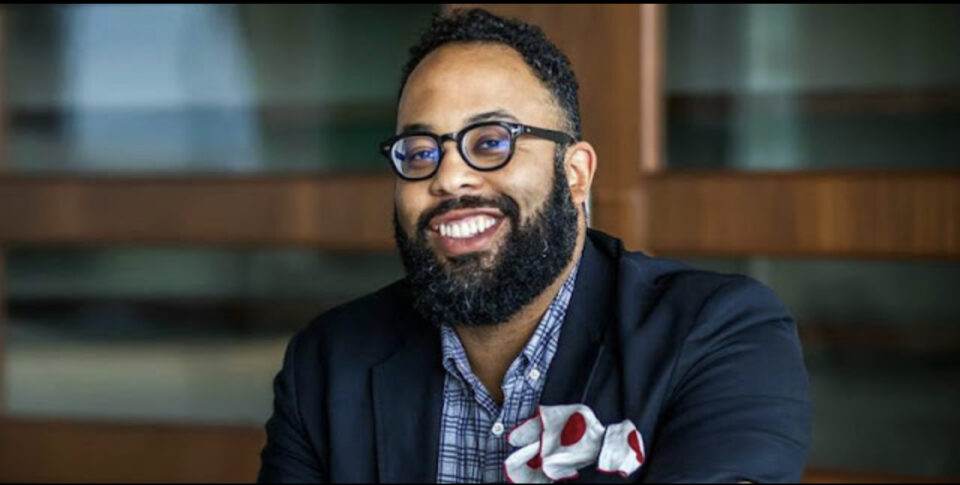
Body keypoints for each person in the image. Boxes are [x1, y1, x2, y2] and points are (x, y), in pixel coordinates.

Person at [258, 8, 810, 483]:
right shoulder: (329, 364)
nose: (449, 178)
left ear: (575, 174)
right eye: (420, 151)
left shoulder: (720, 334)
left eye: (492, 142)